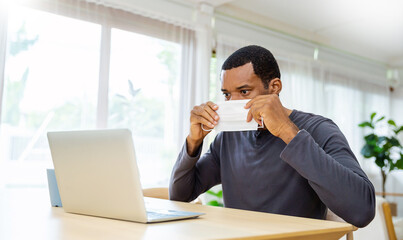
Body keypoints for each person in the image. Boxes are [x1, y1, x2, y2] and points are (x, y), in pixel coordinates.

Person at [169, 45, 375, 228]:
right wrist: (194, 141)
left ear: (274, 87)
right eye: (227, 94)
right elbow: (180, 196)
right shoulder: (228, 139)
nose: (232, 103)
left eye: (244, 91)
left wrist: (287, 131)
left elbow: (362, 211)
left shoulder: (320, 129)